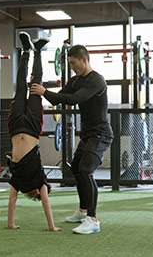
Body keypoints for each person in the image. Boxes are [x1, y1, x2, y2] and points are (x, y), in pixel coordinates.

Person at [30, 45, 113, 235]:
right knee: (76, 169)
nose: (72, 67)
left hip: (101, 134)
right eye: (70, 64)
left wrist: (43, 92)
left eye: (74, 63)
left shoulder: (97, 81)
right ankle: (83, 211)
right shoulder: (76, 80)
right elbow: (58, 98)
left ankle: (92, 219)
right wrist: (39, 87)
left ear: (84, 59)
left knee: (85, 171)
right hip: (87, 134)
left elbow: (74, 99)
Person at [6, 32, 61, 232]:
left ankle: (26, 51)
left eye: (36, 195)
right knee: (36, 87)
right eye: (39, 194)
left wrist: (11, 224)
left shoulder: (18, 182)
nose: (38, 194)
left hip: (16, 125)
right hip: (31, 127)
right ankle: (38, 51)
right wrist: (52, 227)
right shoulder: (41, 181)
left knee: (21, 87)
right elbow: (47, 203)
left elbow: (12, 202)